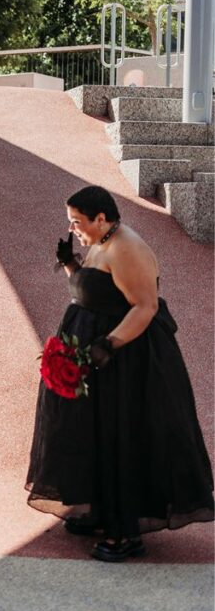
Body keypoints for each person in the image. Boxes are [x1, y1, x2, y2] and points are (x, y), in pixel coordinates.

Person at [26, 185, 213, 562]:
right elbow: (97, 291)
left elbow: (144, 308)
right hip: (95, 355)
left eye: (78, 222)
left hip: (126, 360)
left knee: (120, 435)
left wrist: (107, 345)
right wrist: (71, 265)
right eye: (70, 222)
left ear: (101, 217)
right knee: (91, 431)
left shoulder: (128, 248)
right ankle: (98, 508)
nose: (73, 228)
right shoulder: (102, 239)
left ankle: (124, 532)